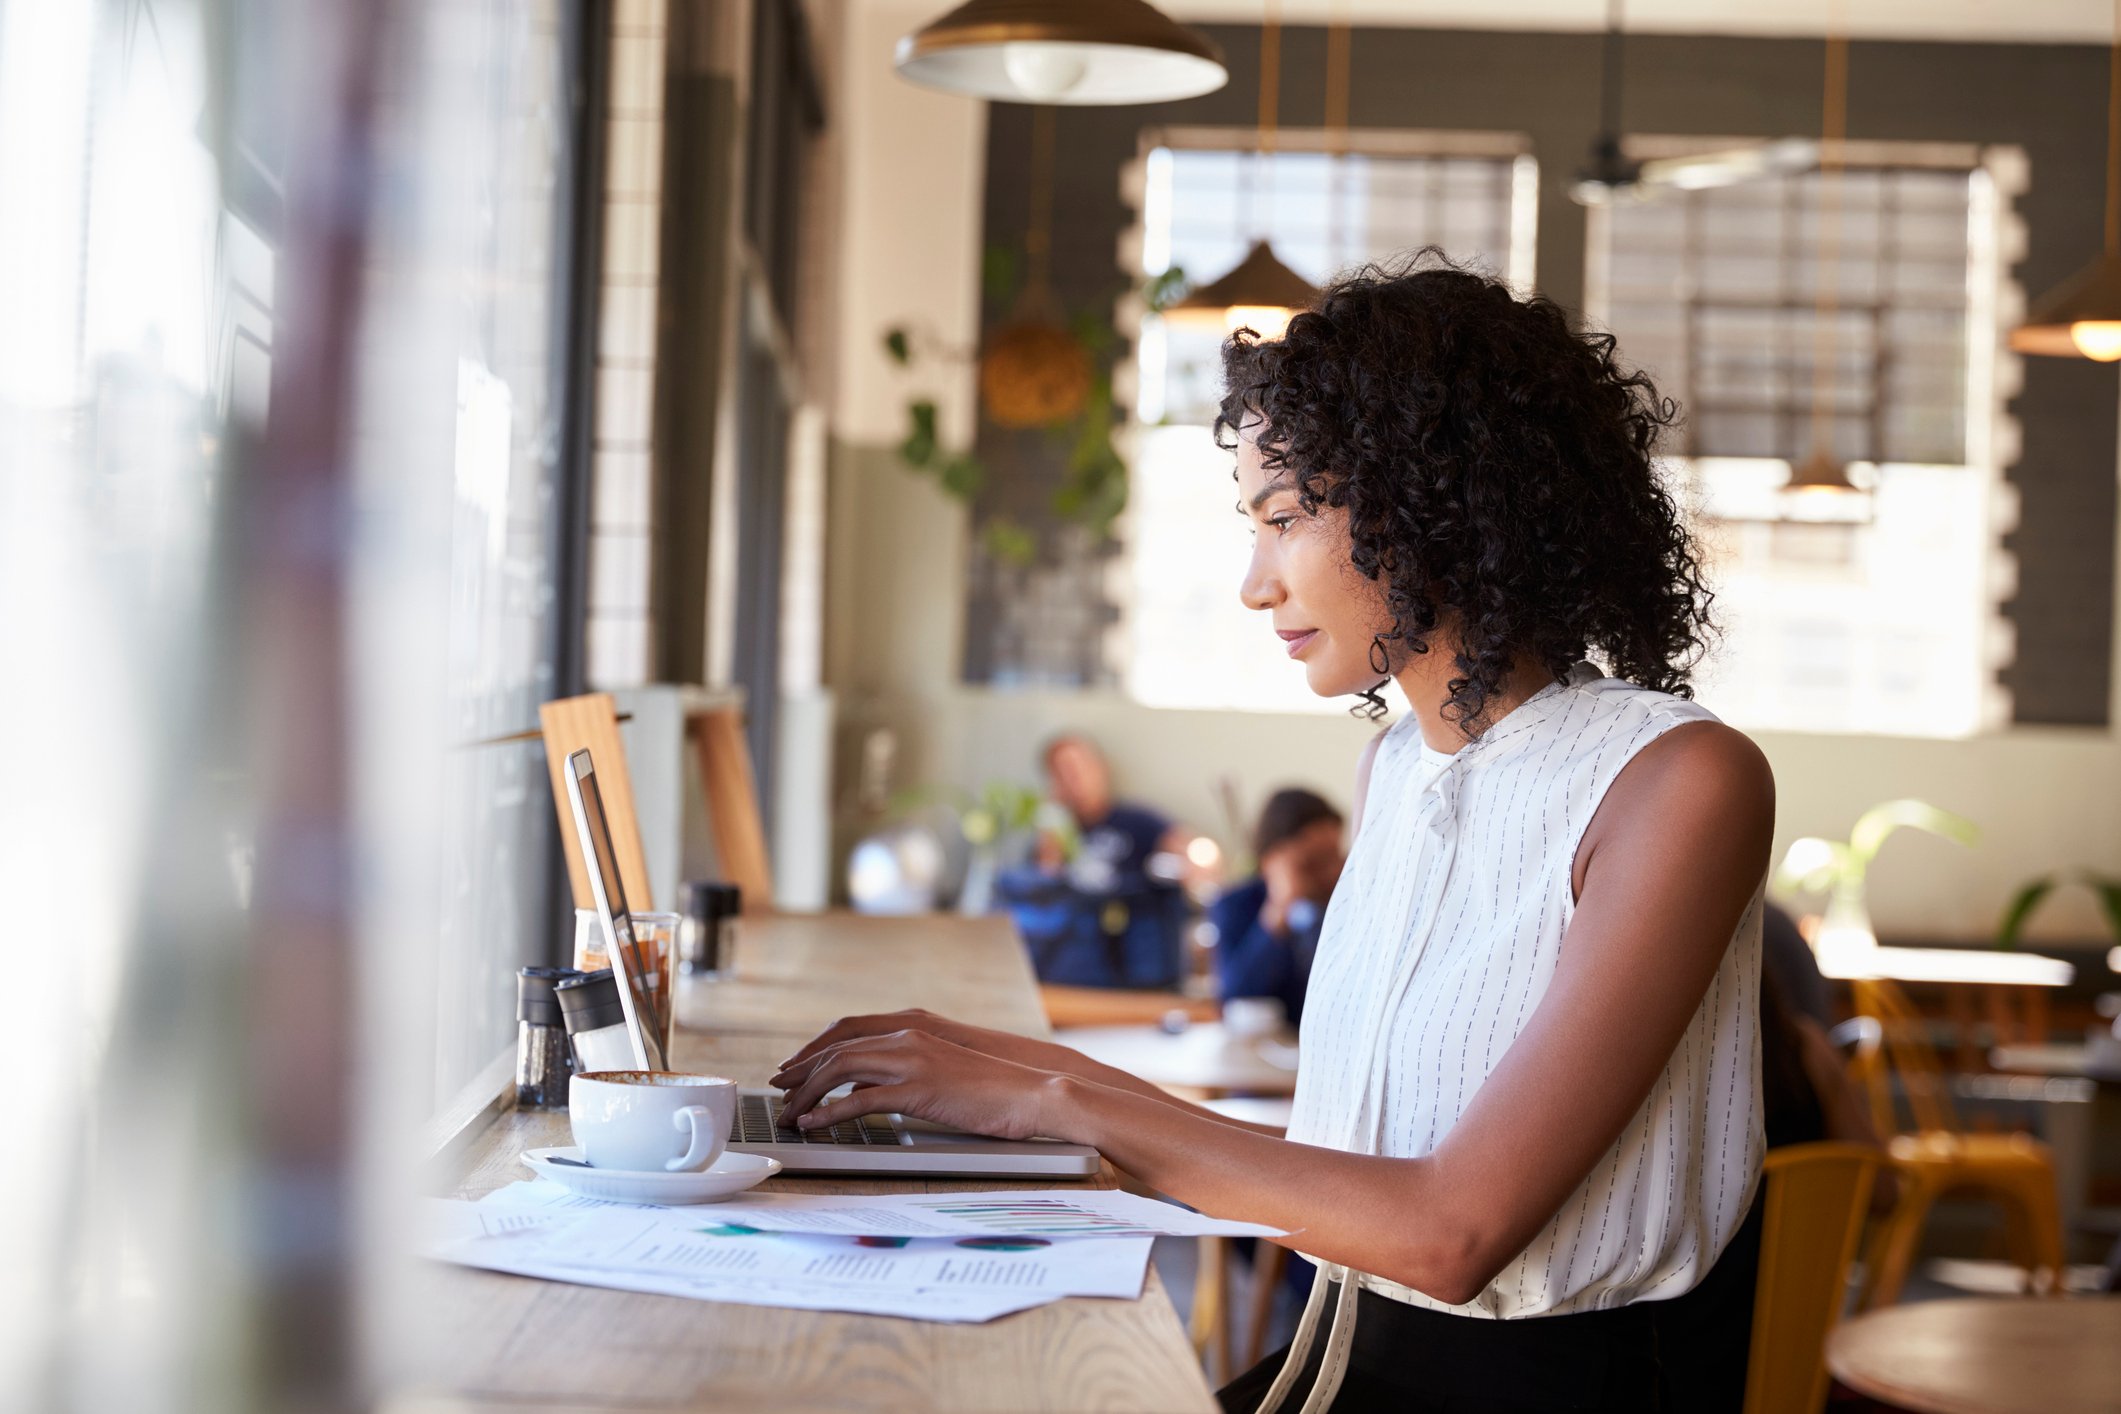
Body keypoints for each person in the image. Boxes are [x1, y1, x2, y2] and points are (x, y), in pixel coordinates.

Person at [771, 253, 1772, 1411]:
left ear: (1438, 502)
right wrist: (990, 1059)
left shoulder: (1678, 780)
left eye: (1286, 517)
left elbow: (1451, 1229)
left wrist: (1059, 1099)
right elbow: (1339, 1161)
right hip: (1332, 1372)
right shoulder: (1397, 765)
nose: (1256, 582)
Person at [994, 734, 1201, 989]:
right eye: (1062, 772)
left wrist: (1190, 861)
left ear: (1100, 768)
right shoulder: (1055, 830)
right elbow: (1045, 891)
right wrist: (1051, 827)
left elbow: (1190, 855)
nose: (1075, 778)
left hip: (1139, 963)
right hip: (1075, 971)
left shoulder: (1138, 821)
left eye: (1080, 766)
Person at [1210, 788, 1346, 1025]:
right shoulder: (1236, 904)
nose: (1334, 871)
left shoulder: (1348, 904)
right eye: (1316, 861)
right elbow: (1235, 994)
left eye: (1337, 857)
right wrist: (1281, 907)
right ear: (1273, 859)